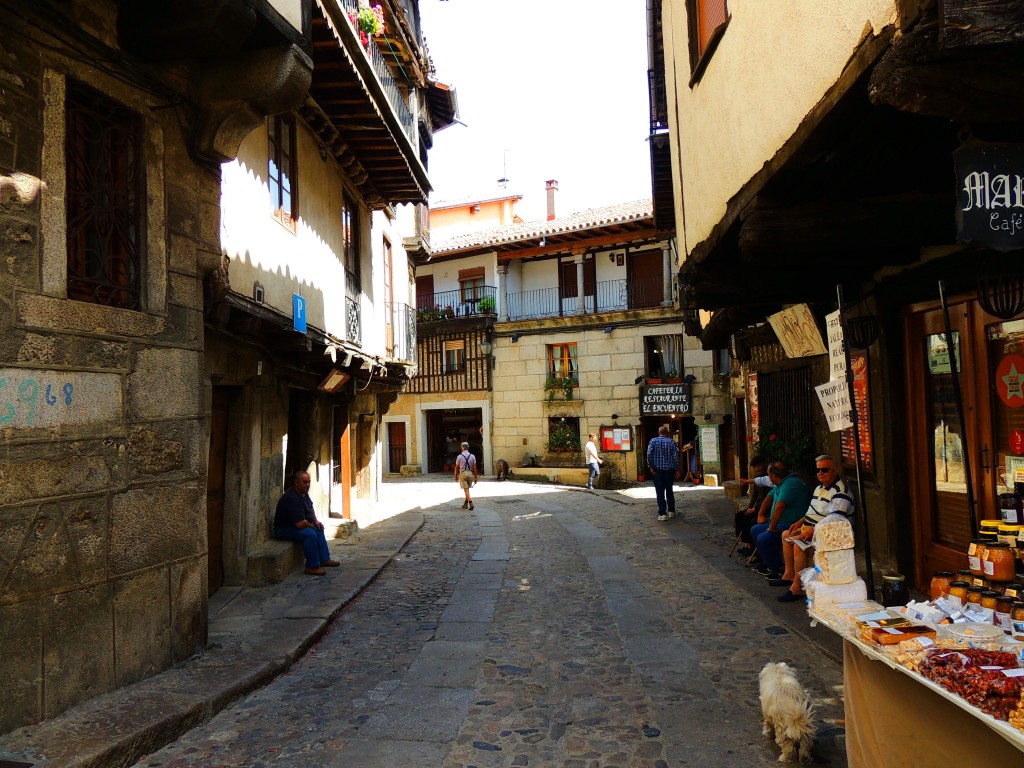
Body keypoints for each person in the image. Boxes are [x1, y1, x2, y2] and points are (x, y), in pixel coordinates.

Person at [775, 454, 855, 602]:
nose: (820, 473)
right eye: (818, 470)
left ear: (835, 471)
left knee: (799, 545)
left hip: (829, 534)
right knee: (786, 534)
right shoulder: (819, 487)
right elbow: (813, 510)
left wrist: (812, 530)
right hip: (811, 528)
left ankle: (797, 588)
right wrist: (801, 521)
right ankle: (789, 574)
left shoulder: (840, 492)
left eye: (824, 470)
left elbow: (836, 522)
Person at [749, 461, 811, 579]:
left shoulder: (791, 484)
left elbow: (780, 506)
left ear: (772, 475)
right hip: (780, 522)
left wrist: (772, 527)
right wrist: (760, 515)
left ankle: (776, 568)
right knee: (755, 529)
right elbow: (769, 497)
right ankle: (767, 562)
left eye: (769, 475)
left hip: (791, 524)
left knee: (764, 537)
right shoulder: (780, 483)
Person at [273, 471, 340, 576]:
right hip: (283, 530)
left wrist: (315, 521)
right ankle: (312, 566)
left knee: (318, 528)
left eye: (309, 482)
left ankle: (324, 559)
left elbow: (310, 509)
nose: (307, 485)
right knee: (310, 534)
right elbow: (300, 524)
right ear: (296, 483)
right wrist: (310, 525)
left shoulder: (303, 493)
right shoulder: (292, 498)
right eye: (305, 482)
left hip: (294, 526)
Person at [735, 455, 770, 557]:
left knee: (750, 521)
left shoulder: (769, 480)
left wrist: (755, 509)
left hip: (764, 508)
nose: (757, 469)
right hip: (757, 507)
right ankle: (746, 543)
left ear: (764, 465)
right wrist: (750, 507)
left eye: (759, 466)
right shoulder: (757, 479)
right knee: (739, 516)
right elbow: (754, 496)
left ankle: (753, 547)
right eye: (755, 467)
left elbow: (766, 499)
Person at [646, 424, 679, 521]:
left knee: (660, 491)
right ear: (667, 433)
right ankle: (671, 511)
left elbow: (649, 454)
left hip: (658, 470)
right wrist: (677, 469)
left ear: (659, 432)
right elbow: (675, 457)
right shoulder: (672, 442)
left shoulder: (653, 441)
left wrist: (651, 466)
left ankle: (662, 513)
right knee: (669, 490)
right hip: (669, 470)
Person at [455, 441, 478, 510]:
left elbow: (456, 467)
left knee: (466, 490)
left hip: (463, 473)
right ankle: (465, 504)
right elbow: (475, 468)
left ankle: (471, 503)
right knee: (467, 489)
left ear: (462, 448)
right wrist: (475, 477)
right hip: (470, 474)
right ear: (468, 447)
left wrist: (455, 475)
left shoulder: (459, 456)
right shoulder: (472, 456)